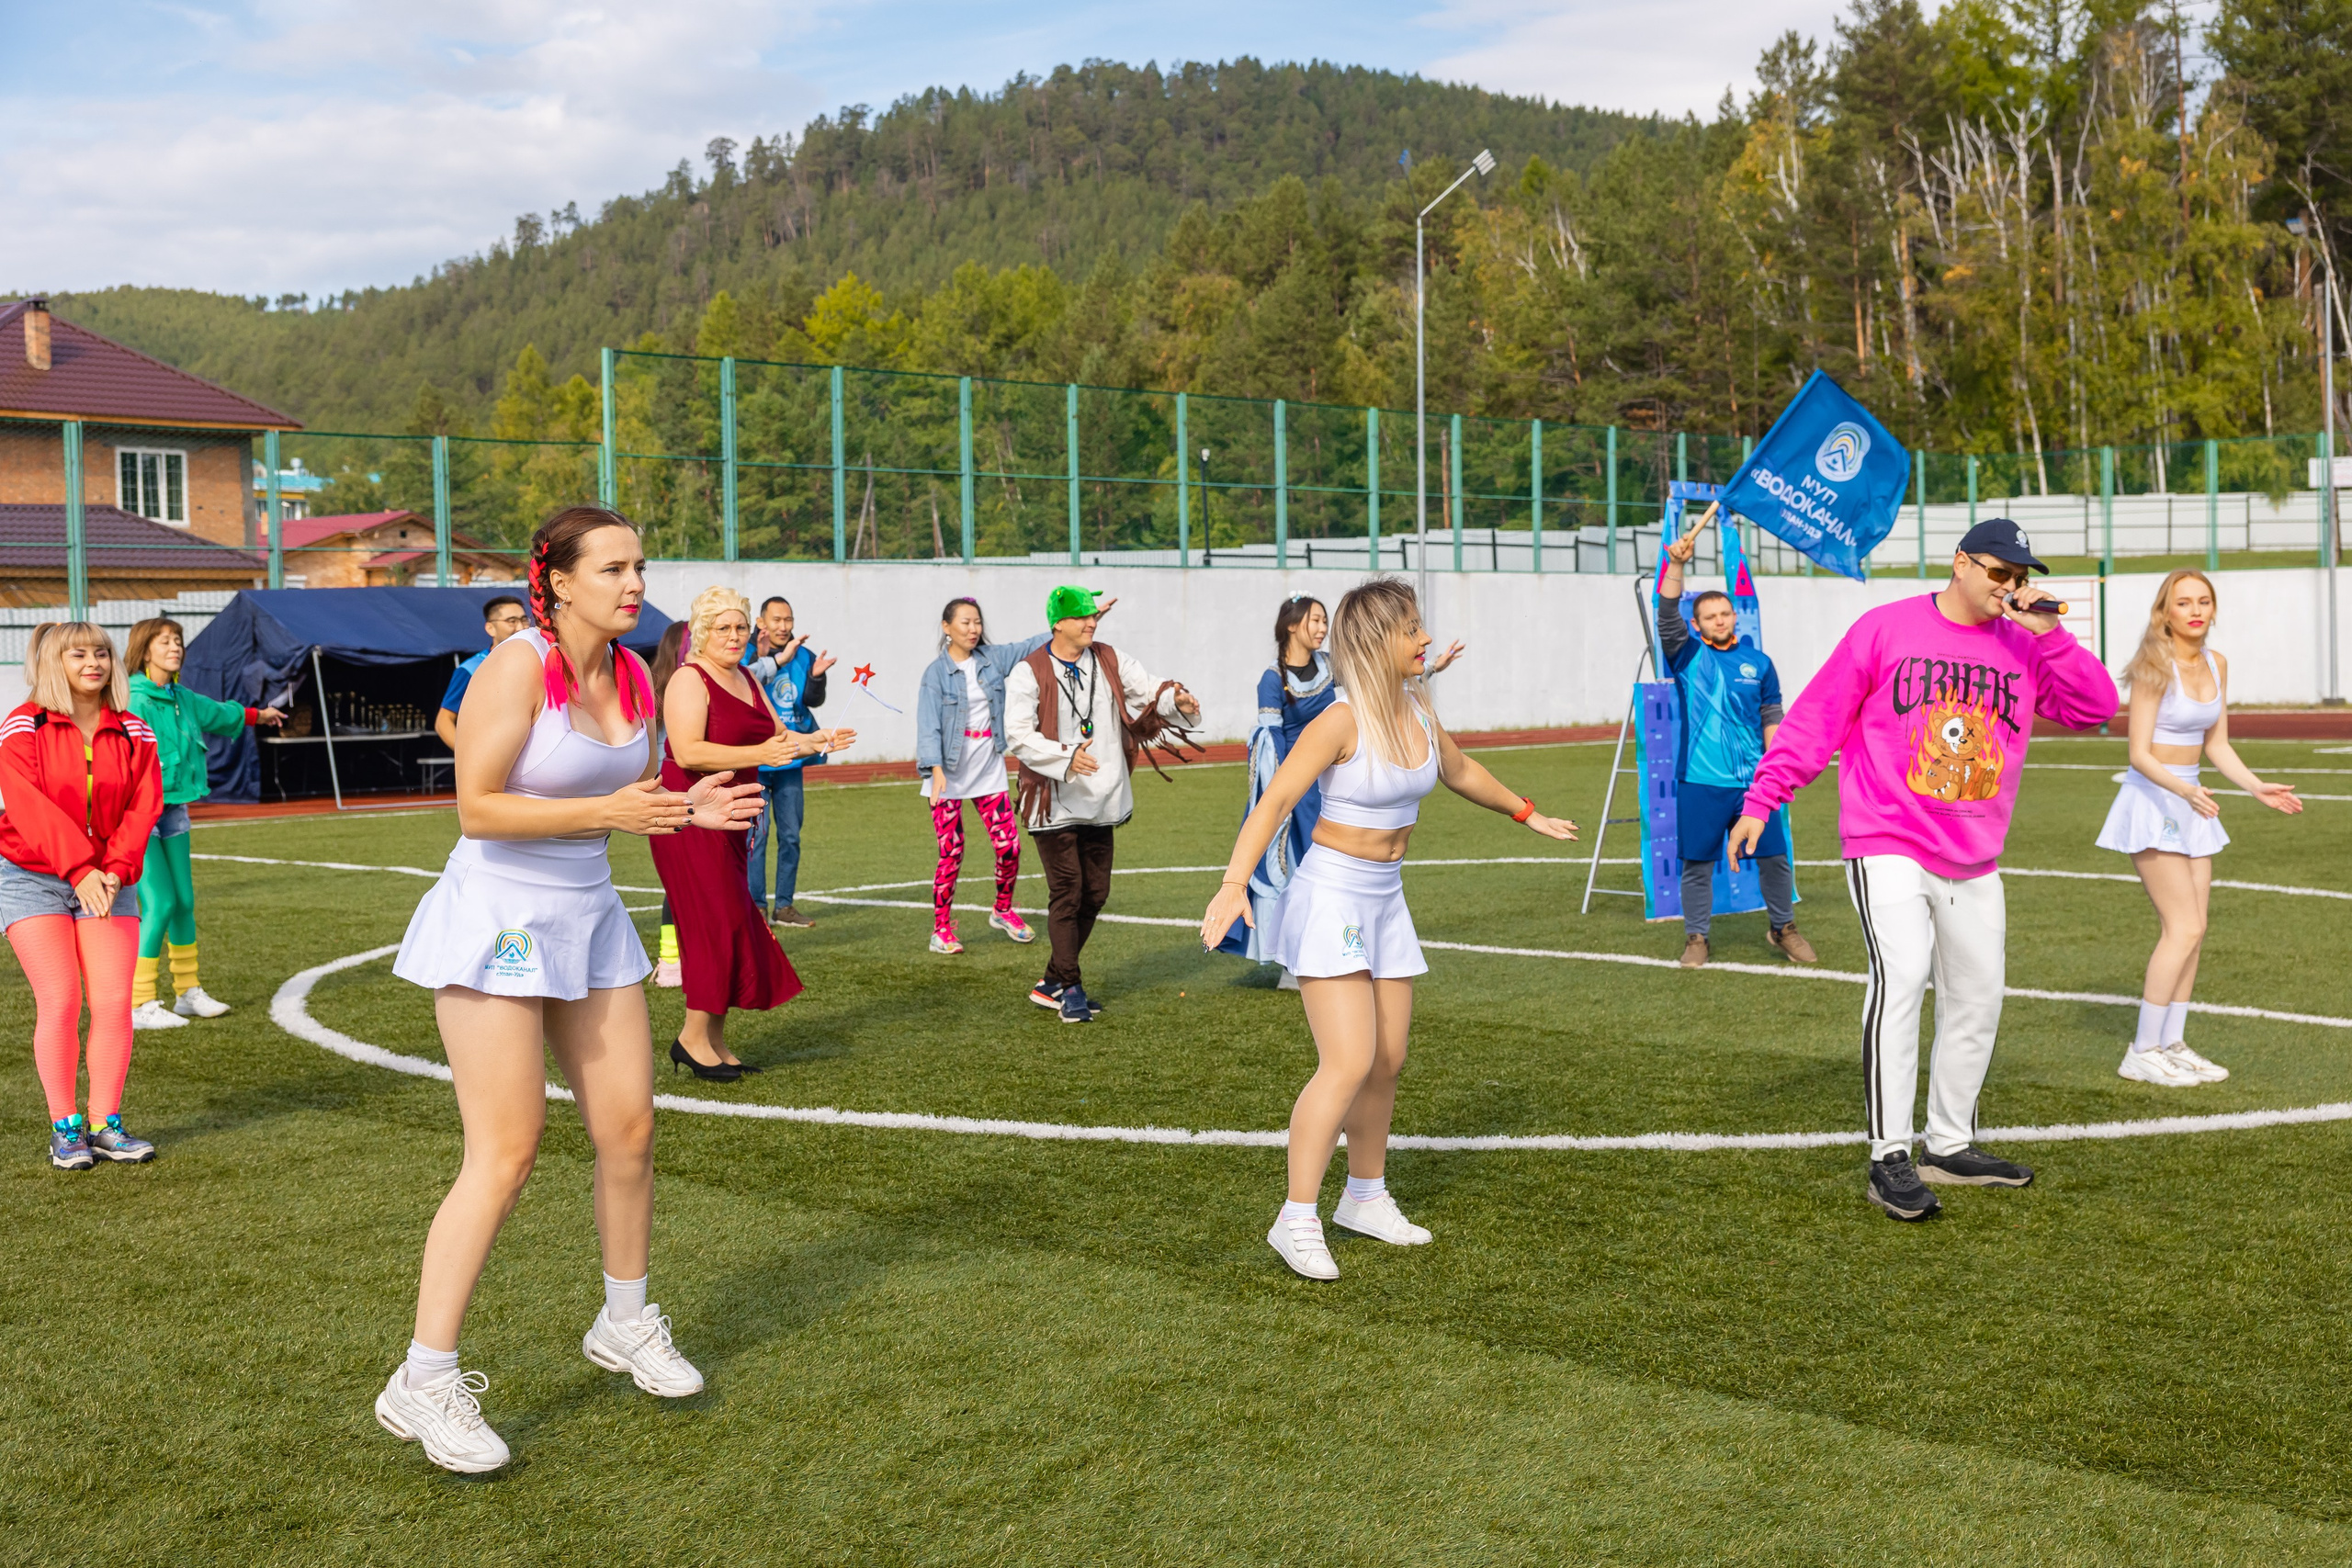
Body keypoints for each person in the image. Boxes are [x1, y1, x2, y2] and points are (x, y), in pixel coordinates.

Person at [380, 506, 762, 1474]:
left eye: (641, 566)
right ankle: (422, 1379)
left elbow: (635, 800)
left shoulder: (636, 672)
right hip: (500, 920)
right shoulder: (518, 667)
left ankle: (624, 1322)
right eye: (615, 569)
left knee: (629, 1130)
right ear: (557, 580)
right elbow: (477, 807)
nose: (635, 585)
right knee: (504, 1153)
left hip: (588, 918)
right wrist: (612, 810)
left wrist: (691, 807)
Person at [1729, 519, 2117, 1222]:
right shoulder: (1885, 628)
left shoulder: (2025, 646)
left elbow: (2095, 707)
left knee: (1978, 994)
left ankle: (1949, 1141)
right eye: (1999, 573)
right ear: (1961, 563)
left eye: (2020, 576)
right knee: (1903, 975)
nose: (2011, 587)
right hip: (1887, 837)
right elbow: (1816, 719)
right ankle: (1889, 1155)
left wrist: (2049, 634)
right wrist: (1764, 798)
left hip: (1974, 853)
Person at [1197, 579, 1576, 1280]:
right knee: (1346, 1062)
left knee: (1387, 1058)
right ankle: (1296, 1215)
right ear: (1377, 639)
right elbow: (1278, 797)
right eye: (1412, 628)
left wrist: (1528, 812)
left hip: (1385, 898)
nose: (1426, 638)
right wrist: (1231, 885)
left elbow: (1459, 770)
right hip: (1333, 896)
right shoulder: (1338, 720)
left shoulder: (1418, 707)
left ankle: (1364, 1197)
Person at [2097, 570, 2301, 1088]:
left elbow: (2217, 745)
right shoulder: (2152, 667)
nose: (2194, 610)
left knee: (2197, 929)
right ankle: (2142, 1049)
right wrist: (2183, 791)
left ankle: (2173, 1042)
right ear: (2164, 612)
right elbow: (2138, 754)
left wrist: (2256, 787)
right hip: (2154, 801)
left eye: (2203, 601)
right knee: (2181, 926)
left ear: (2213, 609)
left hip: (2194, 801)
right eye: (2183, 602)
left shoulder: (2217, 663)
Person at [653, 587, 852, 1078]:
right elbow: (689, 751)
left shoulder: (745, 675)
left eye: (741, 626)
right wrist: (759, 756)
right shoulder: (688, 678)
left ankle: (711, 1039)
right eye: (723, 627)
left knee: (735, 922)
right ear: (701, 631)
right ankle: (692, 1037)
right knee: (716, 925)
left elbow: (778, 738)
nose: (734, 635)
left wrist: (818, 741)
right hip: (691, 815)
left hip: (734, 815)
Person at [1220, 594, 1460, 976]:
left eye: (1324, 621)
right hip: (1300, 775)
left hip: (1337, 774)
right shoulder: (1274, 678)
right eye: (1314, 621)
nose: (1321, 629)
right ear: (1292, 626)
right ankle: (1295, 955)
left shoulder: (1329, 667)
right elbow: (1270, 742)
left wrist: (1428, 669)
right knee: (1292, 860)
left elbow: (1377, 681)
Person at [2, 622, 163, 1170]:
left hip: (109, 880)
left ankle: (105, 1126)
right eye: (78, 654)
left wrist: (114, 869)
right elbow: (26, 805)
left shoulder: (136, 730)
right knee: (62, 999)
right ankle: (65, 1128)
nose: (92, 662)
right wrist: (78, 869)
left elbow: (145, 804)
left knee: (115, 1002)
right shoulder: (23, 724)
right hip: (32, 875)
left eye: (100, 652)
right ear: (54, 661)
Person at [1003, 585, 1200, 1023]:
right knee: (1068, 891)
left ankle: (1052, 979)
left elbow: (1149, 691)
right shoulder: (1028, 671)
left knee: (1096, 892)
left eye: (1093, 616)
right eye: (1080, 617)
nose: (1091, 623)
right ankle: (1070, 987)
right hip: (1053, 800)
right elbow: (1017, 733)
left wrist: (1176, 700)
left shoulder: (1109, 658)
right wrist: (1066, 756)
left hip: (1104, 796)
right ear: (1057, 623)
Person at [1655, 533, 1815, 968]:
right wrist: (1676, 567)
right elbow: (1666, 612)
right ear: (1697, 624)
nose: (1720, 620)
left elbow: (1772, 717)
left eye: (1725, 613)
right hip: (1701, 782)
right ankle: (1696, 938)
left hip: (1754, 786)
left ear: (1734, 617)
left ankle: (1784, 928)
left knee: (1775, 860)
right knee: (1697, 865)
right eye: (1710, 616)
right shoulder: (1686, 657)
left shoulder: (1759, 663)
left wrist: (1775, 771)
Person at [122, 616, 286, 1029]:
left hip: (175, 808)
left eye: (177, 641)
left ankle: (187, 992)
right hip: (138, 813)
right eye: (164, 642)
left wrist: (258, 715)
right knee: (159, 903)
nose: (175, 647)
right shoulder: (131, 700)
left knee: (185, 903)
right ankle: (139, 1001)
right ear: (144, 651)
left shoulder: (180, 697)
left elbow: (219, 713)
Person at [913, 594, 1092, 954]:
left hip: (988, 768)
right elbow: (928, 725)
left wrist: (1072, 622)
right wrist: (934, 770)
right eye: (964, 622)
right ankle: (941, 929)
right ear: (947, 628)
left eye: (977, 622)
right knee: (952, 852)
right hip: (946, 772)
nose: (973, 629)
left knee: (1008, 846)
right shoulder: (935, 674)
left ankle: (1003, 910)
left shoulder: (992, 660)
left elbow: (1031, 645)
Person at [742, 595, 833, 928]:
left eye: (788, 619)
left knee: (792, 835)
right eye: (777, 620)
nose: (784, 626)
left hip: (791, 762)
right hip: (757, 760)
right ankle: (756, 907)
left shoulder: (804, 654)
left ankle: (784, 907)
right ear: (761, 623)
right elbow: (747, 692)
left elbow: (812, 700)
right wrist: (769, 660)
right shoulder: (747, 655)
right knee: (758, 837)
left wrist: (818, 678)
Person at [647, 621, 689, 988]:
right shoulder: (682, 686)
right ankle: (672, 961)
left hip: (671, 792)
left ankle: (674, 961)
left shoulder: (657, 684)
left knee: (681, 883)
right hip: (676, 792)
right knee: (682, 883)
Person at [432, 595, 530, 750]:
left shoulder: (541, 660)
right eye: (512, 621)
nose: (520, 627)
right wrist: (468, 756)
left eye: (524, 620)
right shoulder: (472, 668)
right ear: (490, 628)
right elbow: (443, 721)